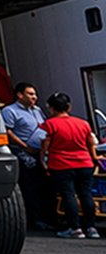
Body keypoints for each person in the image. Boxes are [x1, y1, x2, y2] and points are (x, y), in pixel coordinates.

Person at [40, 93, 101, 239]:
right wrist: (94, 157)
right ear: (69, 107)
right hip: (84, 163)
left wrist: (43, 160)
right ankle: (91, 228)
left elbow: (44, 144)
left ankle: (75, 228)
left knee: (68, 195)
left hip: (61, 164)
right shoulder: (83, 123)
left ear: (51, 108)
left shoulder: (49, 124)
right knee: (86, 194)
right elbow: (91, 143)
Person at [2, 82, 53, 230]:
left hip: (40, 152)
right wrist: (25, 146)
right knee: (31, 186)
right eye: (30, 94)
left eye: (34, 94)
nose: (34, 97)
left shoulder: (37, 110)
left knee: (45, 185)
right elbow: (8, 132)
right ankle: (35, 219)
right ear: (19, 95)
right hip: (23, 152)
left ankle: (48, 217)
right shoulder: (9, 111)